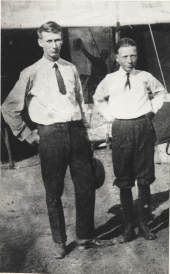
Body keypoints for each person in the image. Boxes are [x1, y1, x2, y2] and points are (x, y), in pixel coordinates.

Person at [1, 21, 100, 259]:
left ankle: (85, 237)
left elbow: (77, 100)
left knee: (86, 186)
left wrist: (86, 132)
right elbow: (8, 107)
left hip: (76, 133)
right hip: (50, 135)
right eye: (49, 41)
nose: (54, 45)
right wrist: (27, 133)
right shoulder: (31, 72)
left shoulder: (70, 68)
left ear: (62, 41)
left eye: (58, 40)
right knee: (53, 191)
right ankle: (59, 242)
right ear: (40, 42)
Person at [93, 37, 166, 243]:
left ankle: (144, 223)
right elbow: (98, 99)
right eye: (125, 56)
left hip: (143, 126)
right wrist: (111, 116)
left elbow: (161, 92)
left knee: (144, 177)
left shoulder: (145, 76)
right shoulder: (109, 80)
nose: (130, 60)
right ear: (117, 58)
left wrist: (151, 110)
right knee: (124, 179)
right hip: (121, 128)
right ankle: (128, 225)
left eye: (133, 55)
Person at [76, 38, 109, 104]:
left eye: (105, 55)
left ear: (106, 57)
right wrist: (82, 48)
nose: (104, 56)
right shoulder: (97, 61)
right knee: (92, 99)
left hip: (98, 84)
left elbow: (105, 77)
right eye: (103, 54)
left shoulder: (103, 64)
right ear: (101, 55)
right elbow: (88, 55)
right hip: (94, 83)